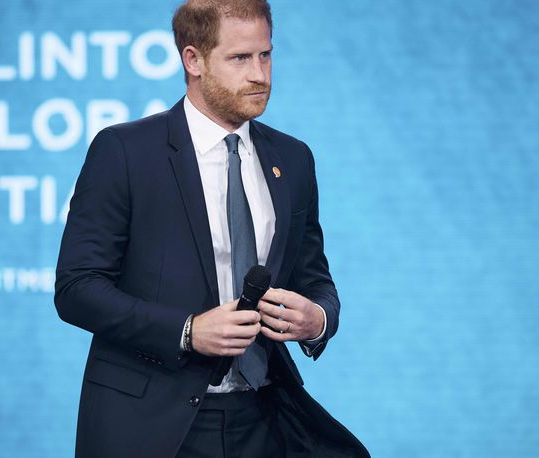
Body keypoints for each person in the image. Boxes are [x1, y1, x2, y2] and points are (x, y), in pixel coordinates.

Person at [54, 1, 369, 456]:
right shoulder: (125, 151)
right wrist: (186, 330)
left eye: (266, 55)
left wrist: (316, 319)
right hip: (153, 425)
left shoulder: (293, 159)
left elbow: (314, 277)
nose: (260, 74)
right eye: (240, 58)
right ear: (193, 60)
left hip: (265, 419)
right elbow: (77, 288)